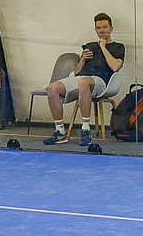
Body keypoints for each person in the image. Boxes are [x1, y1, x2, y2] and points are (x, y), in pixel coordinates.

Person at [44, 13, 125, 146]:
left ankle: (86, 129)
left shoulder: (118, 47)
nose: (102, 30)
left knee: (83, 83)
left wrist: (103, 47)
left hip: (101, 81)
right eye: (99, 28)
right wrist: (83, 59)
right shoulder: (89, 45)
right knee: (52, 88)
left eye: (105, 27)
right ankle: (60, 131)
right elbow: (77, 72)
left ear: (111, 28)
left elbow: (115, 67)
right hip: (82, 78)